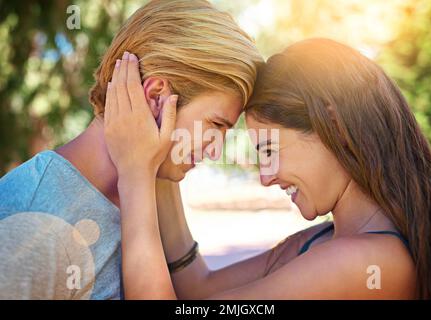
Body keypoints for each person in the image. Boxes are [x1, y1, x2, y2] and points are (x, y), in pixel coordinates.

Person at [105, 39, 431, 299]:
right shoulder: (323, 240)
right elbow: (197, 288)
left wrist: (134, 174)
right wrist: (163, 156)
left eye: (269, 149)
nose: (265, 176)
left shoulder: (364, 262)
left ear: (335, 127)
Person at [0, 0, 262, 299]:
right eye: (215, 125)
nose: (215, 151)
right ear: (155, 96)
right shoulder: (30, 222)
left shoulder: (145, 191)